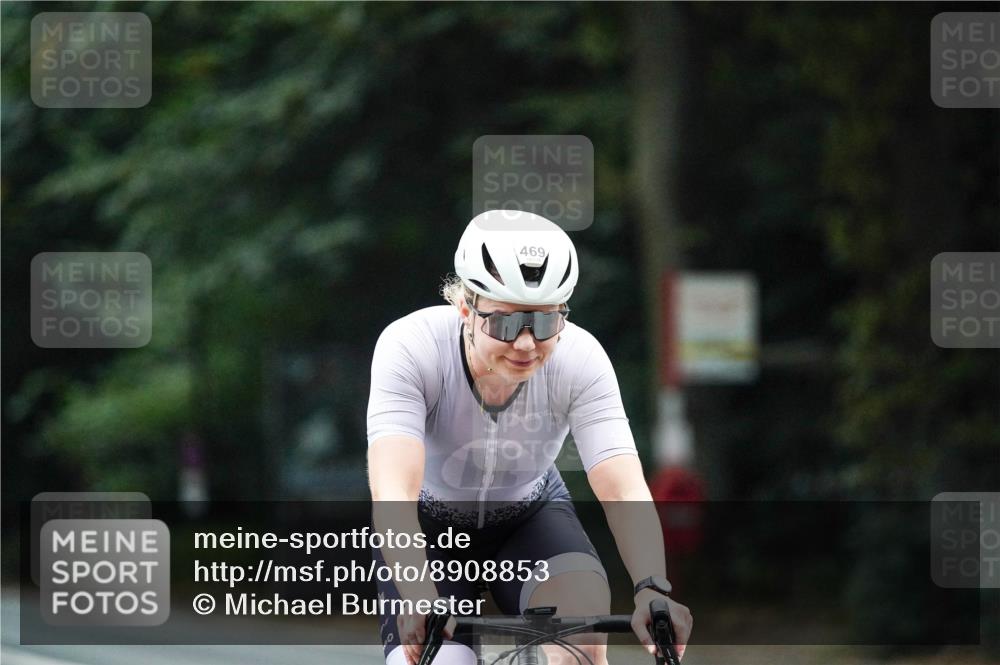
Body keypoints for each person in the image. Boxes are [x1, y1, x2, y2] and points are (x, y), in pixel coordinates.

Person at [367, 209, 693, 665]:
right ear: (465, 306)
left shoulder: (581, 359)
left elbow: (622, 488)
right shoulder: (410, 348)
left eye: (544, 323)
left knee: (578, 642)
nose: (526, 344)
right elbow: (393, 491)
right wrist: (420, 593)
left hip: (531, 518)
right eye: (505, 323)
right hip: (429, 529)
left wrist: (652, 589)